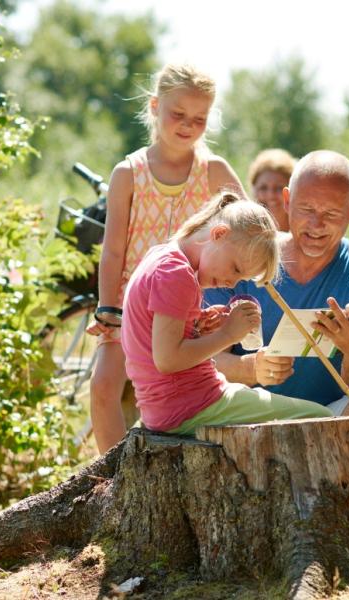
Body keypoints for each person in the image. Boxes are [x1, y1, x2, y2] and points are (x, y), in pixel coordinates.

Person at [83, 63, 243, 453]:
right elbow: (114, 249)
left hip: (184, 308)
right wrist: (107, 309)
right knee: (104, 386)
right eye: (178, 114)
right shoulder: (129, 172)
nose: (188, 125)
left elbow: (248, 227)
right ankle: (111, 478)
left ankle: (163, 468)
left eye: (199, 118)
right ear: (155, 106)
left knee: (176, 395)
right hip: (130, 304)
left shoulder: (214, 171)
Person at [123, 192, 349, 435]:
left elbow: (159, 341)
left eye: (241, 278)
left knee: (280, 404)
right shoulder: (177, 273)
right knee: (322, 419)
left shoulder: (163, 258)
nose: (232, 283)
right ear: (219, 234)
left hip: (176, 404)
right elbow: (167, 360)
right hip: (189, 407)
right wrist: (228, 335)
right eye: (236, 268)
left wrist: (198, 327)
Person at [205, 150, 349, 408]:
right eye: (306, 209)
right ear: (287, 200)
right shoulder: (241, 257)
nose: (316, 224)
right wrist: (251, 368)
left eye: (331, 214)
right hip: (245, 413)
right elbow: (203, 362)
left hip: (329, 416)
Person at [246, 148, 295, 232]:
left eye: (279, 188)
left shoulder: (305, 232)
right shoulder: (244, 232)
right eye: (263, 188)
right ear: (254, 189)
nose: (271, 195)